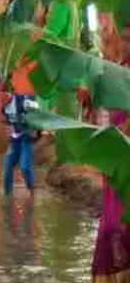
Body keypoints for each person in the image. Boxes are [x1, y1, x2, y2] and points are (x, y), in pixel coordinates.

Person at [91, 21, 130, 281]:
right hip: (115, 165)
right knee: (110, 230)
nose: (126, 45)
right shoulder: (118, 72)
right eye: (124, 39)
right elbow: (106, 119)